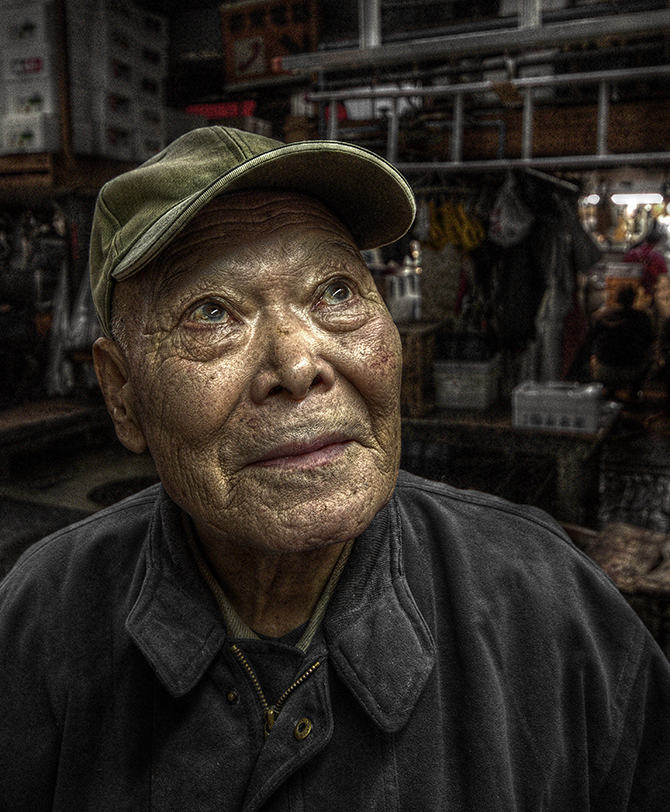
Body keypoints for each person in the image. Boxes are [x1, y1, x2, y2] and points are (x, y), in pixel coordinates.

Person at [1, 125, 669, 811]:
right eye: (211, 313)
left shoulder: (550, 608)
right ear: (122, 394)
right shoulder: (43, 621)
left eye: (336, 293)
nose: (297, 365)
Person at [590, 283, 655, 399]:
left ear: (616, 297)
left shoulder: (602, 315)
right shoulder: (643, 317)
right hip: (633, 370)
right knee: (652, 356)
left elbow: (591, 338)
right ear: (633, 298)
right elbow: (650, 340)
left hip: (604, 369)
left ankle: (609, 390)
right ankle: (635, 391)